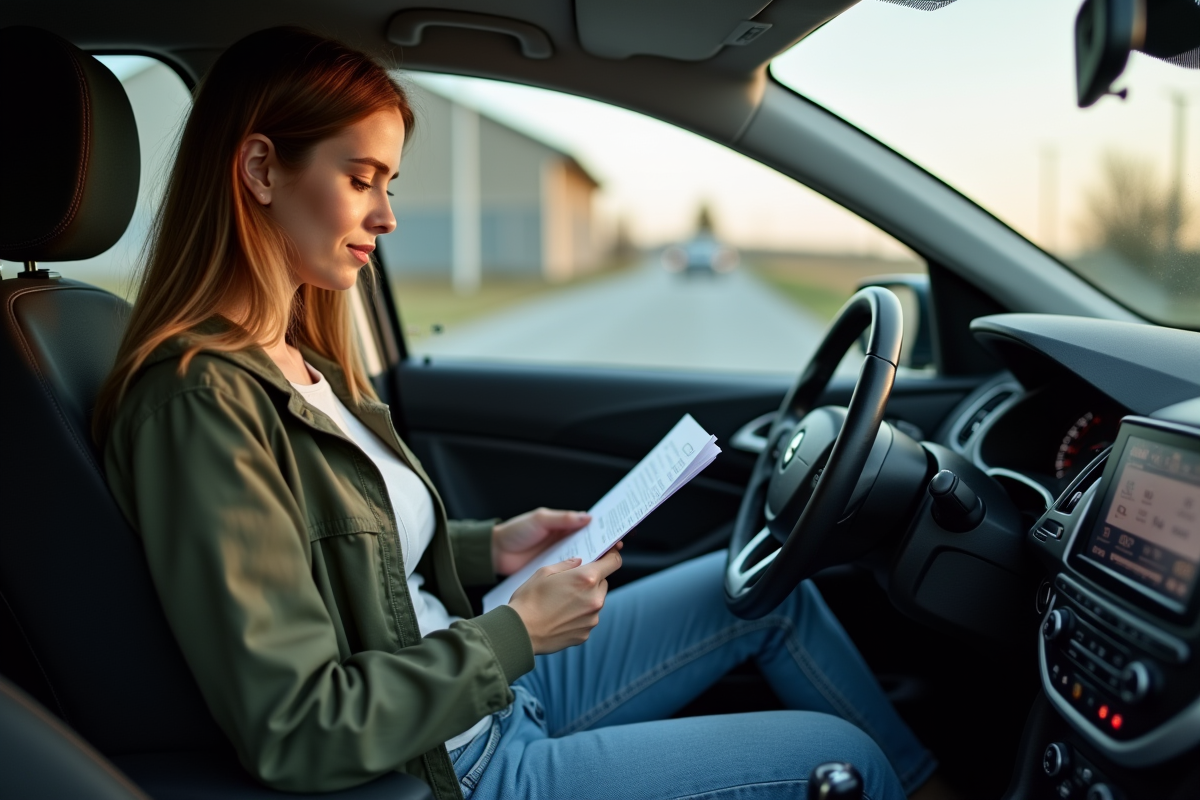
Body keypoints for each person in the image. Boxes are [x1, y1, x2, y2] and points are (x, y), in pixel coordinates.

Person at [95, 26, 947, 800]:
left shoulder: (302, 360)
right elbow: (297, 729)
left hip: (478, 686)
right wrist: (513, 635)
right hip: (462, 764)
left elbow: (337, 557)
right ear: (259, 170)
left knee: (773, 601)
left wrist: (485, 547)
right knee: (845, 759)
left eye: (388, 183)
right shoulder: (200, 402)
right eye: (361, 180)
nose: (386, 216)